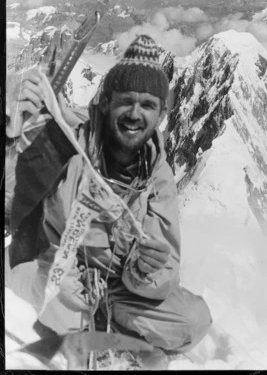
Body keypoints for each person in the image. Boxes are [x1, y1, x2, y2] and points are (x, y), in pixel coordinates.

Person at [6, 35, 212, 360]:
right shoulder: (69, 147)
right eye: (125, 101)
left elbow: (166, 269)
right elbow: (13, 202)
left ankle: (98, 322)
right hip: (57, 272)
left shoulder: (157, 176)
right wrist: (9, 134)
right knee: (25, 283)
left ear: (160, 114)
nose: (134, 114)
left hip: (118, 289)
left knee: (193, 319)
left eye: (147, 105)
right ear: (106, 102)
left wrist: (145, 271)